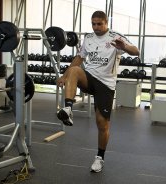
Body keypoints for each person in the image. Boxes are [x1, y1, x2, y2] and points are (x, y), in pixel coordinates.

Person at [56, 10, 139, 173]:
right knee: (73, 71)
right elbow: (79, 58)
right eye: (93, 23)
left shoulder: (116, 37)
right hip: (90, 77)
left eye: (99, 24)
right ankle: (68, 109)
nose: (96, 27)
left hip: (106, 84)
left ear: (106, 23)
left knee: (102, 124)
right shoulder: (88, 38)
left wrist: (126, 47)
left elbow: (136, 51)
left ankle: (100, 157)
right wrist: (63, 75)